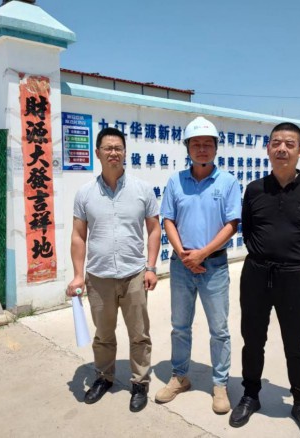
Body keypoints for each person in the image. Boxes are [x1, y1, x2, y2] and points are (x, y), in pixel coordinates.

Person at [228, 122, 300, 437]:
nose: (281, 149)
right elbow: (248, 229)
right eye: (276, 143)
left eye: (289, 143)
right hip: (256, 274)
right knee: (252, 339)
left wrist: (294, 257)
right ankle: (250, 394)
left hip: (294, 277)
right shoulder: (255, 189)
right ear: (268, 148)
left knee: (296, 342)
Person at [66, 127, 161, 413]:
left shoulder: (142, 190)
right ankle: (104, 377)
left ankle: (140, 383)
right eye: (107, 148)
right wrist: (78, 275)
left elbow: (154, 229)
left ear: (125, 152)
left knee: (139, 334)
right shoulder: (85, 194)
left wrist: (151, 267)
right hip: (99, 277)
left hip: (134, 275)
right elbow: (78, 236)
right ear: (97, 153)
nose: (113, 153)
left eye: (118, 148)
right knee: (104, 334)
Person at [155, 116, 241, 415]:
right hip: (182, 266)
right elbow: (167, 219)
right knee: (180, 326)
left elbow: (232, 224)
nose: (202, 149)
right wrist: (183, 254)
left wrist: (202, 253)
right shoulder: (175, 181)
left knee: (219, 329)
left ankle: (220, 384)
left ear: (216, 148)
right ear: (188, 148)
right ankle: (180, 376)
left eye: (207, 144)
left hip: (214, 266)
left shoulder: (228, 182)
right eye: (196, 144)